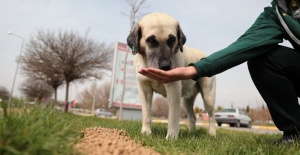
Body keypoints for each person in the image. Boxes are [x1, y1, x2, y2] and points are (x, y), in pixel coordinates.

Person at [138, 0, 300, 145]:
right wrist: (194, 69)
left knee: (208, 101)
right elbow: (243, 46)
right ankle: (294, 132)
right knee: (262, 57)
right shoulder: (278, 10)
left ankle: (210, 126)